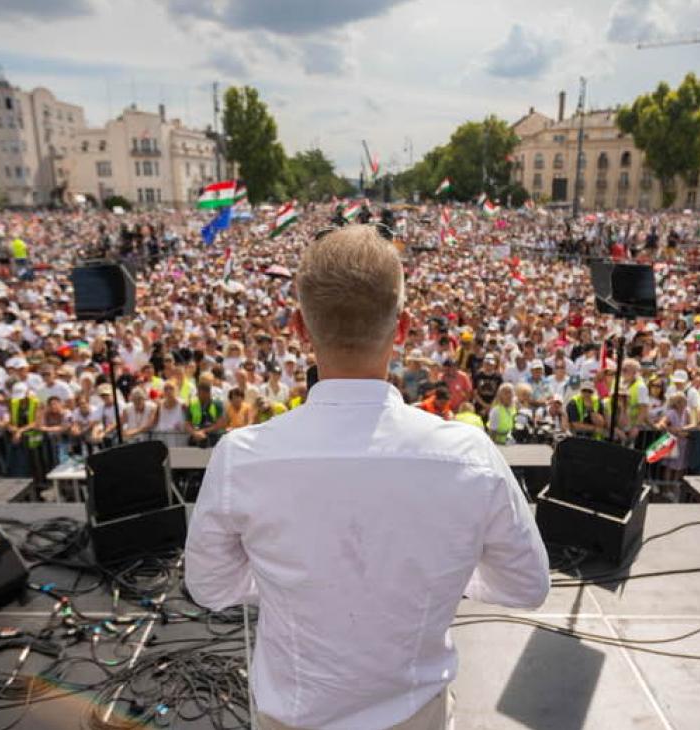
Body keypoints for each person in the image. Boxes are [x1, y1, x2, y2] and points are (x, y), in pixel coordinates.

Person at [185, 225, 549, 730]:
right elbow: (526, 585)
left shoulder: (241, 458)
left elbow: (209, 587)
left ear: (298, 326)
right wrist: (435, 576)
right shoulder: (468, 456)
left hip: (293, 715)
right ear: (402, 329)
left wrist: (294, 583)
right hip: (413, 716)